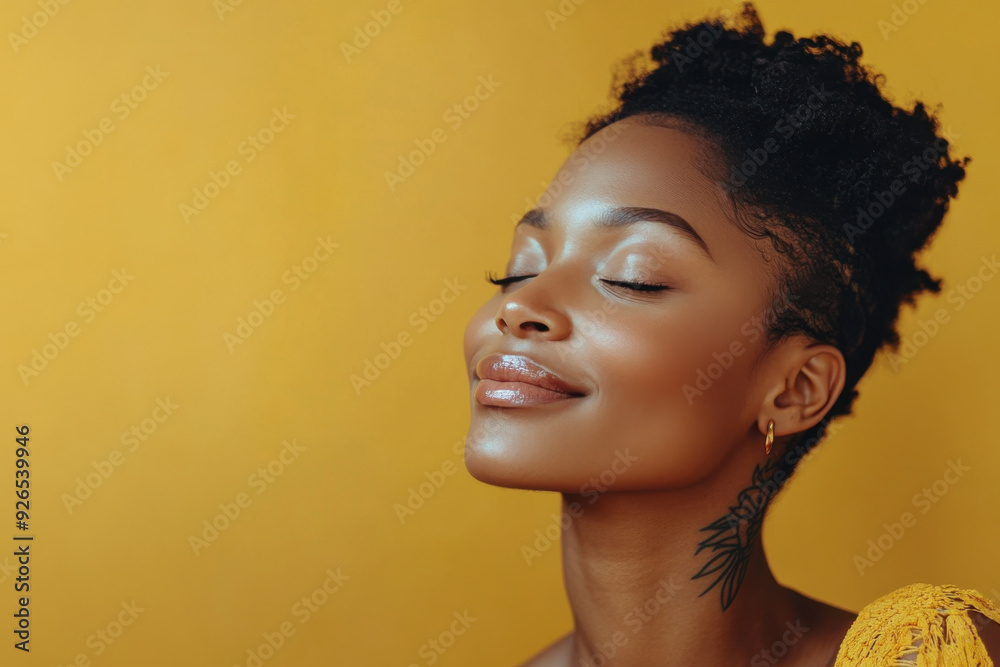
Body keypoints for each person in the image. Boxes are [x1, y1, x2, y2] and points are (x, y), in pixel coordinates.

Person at [461, 2, 1000, 665]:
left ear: (795, 389)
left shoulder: (928, 655)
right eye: (517, 270)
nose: (521, 307)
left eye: (634, 277)